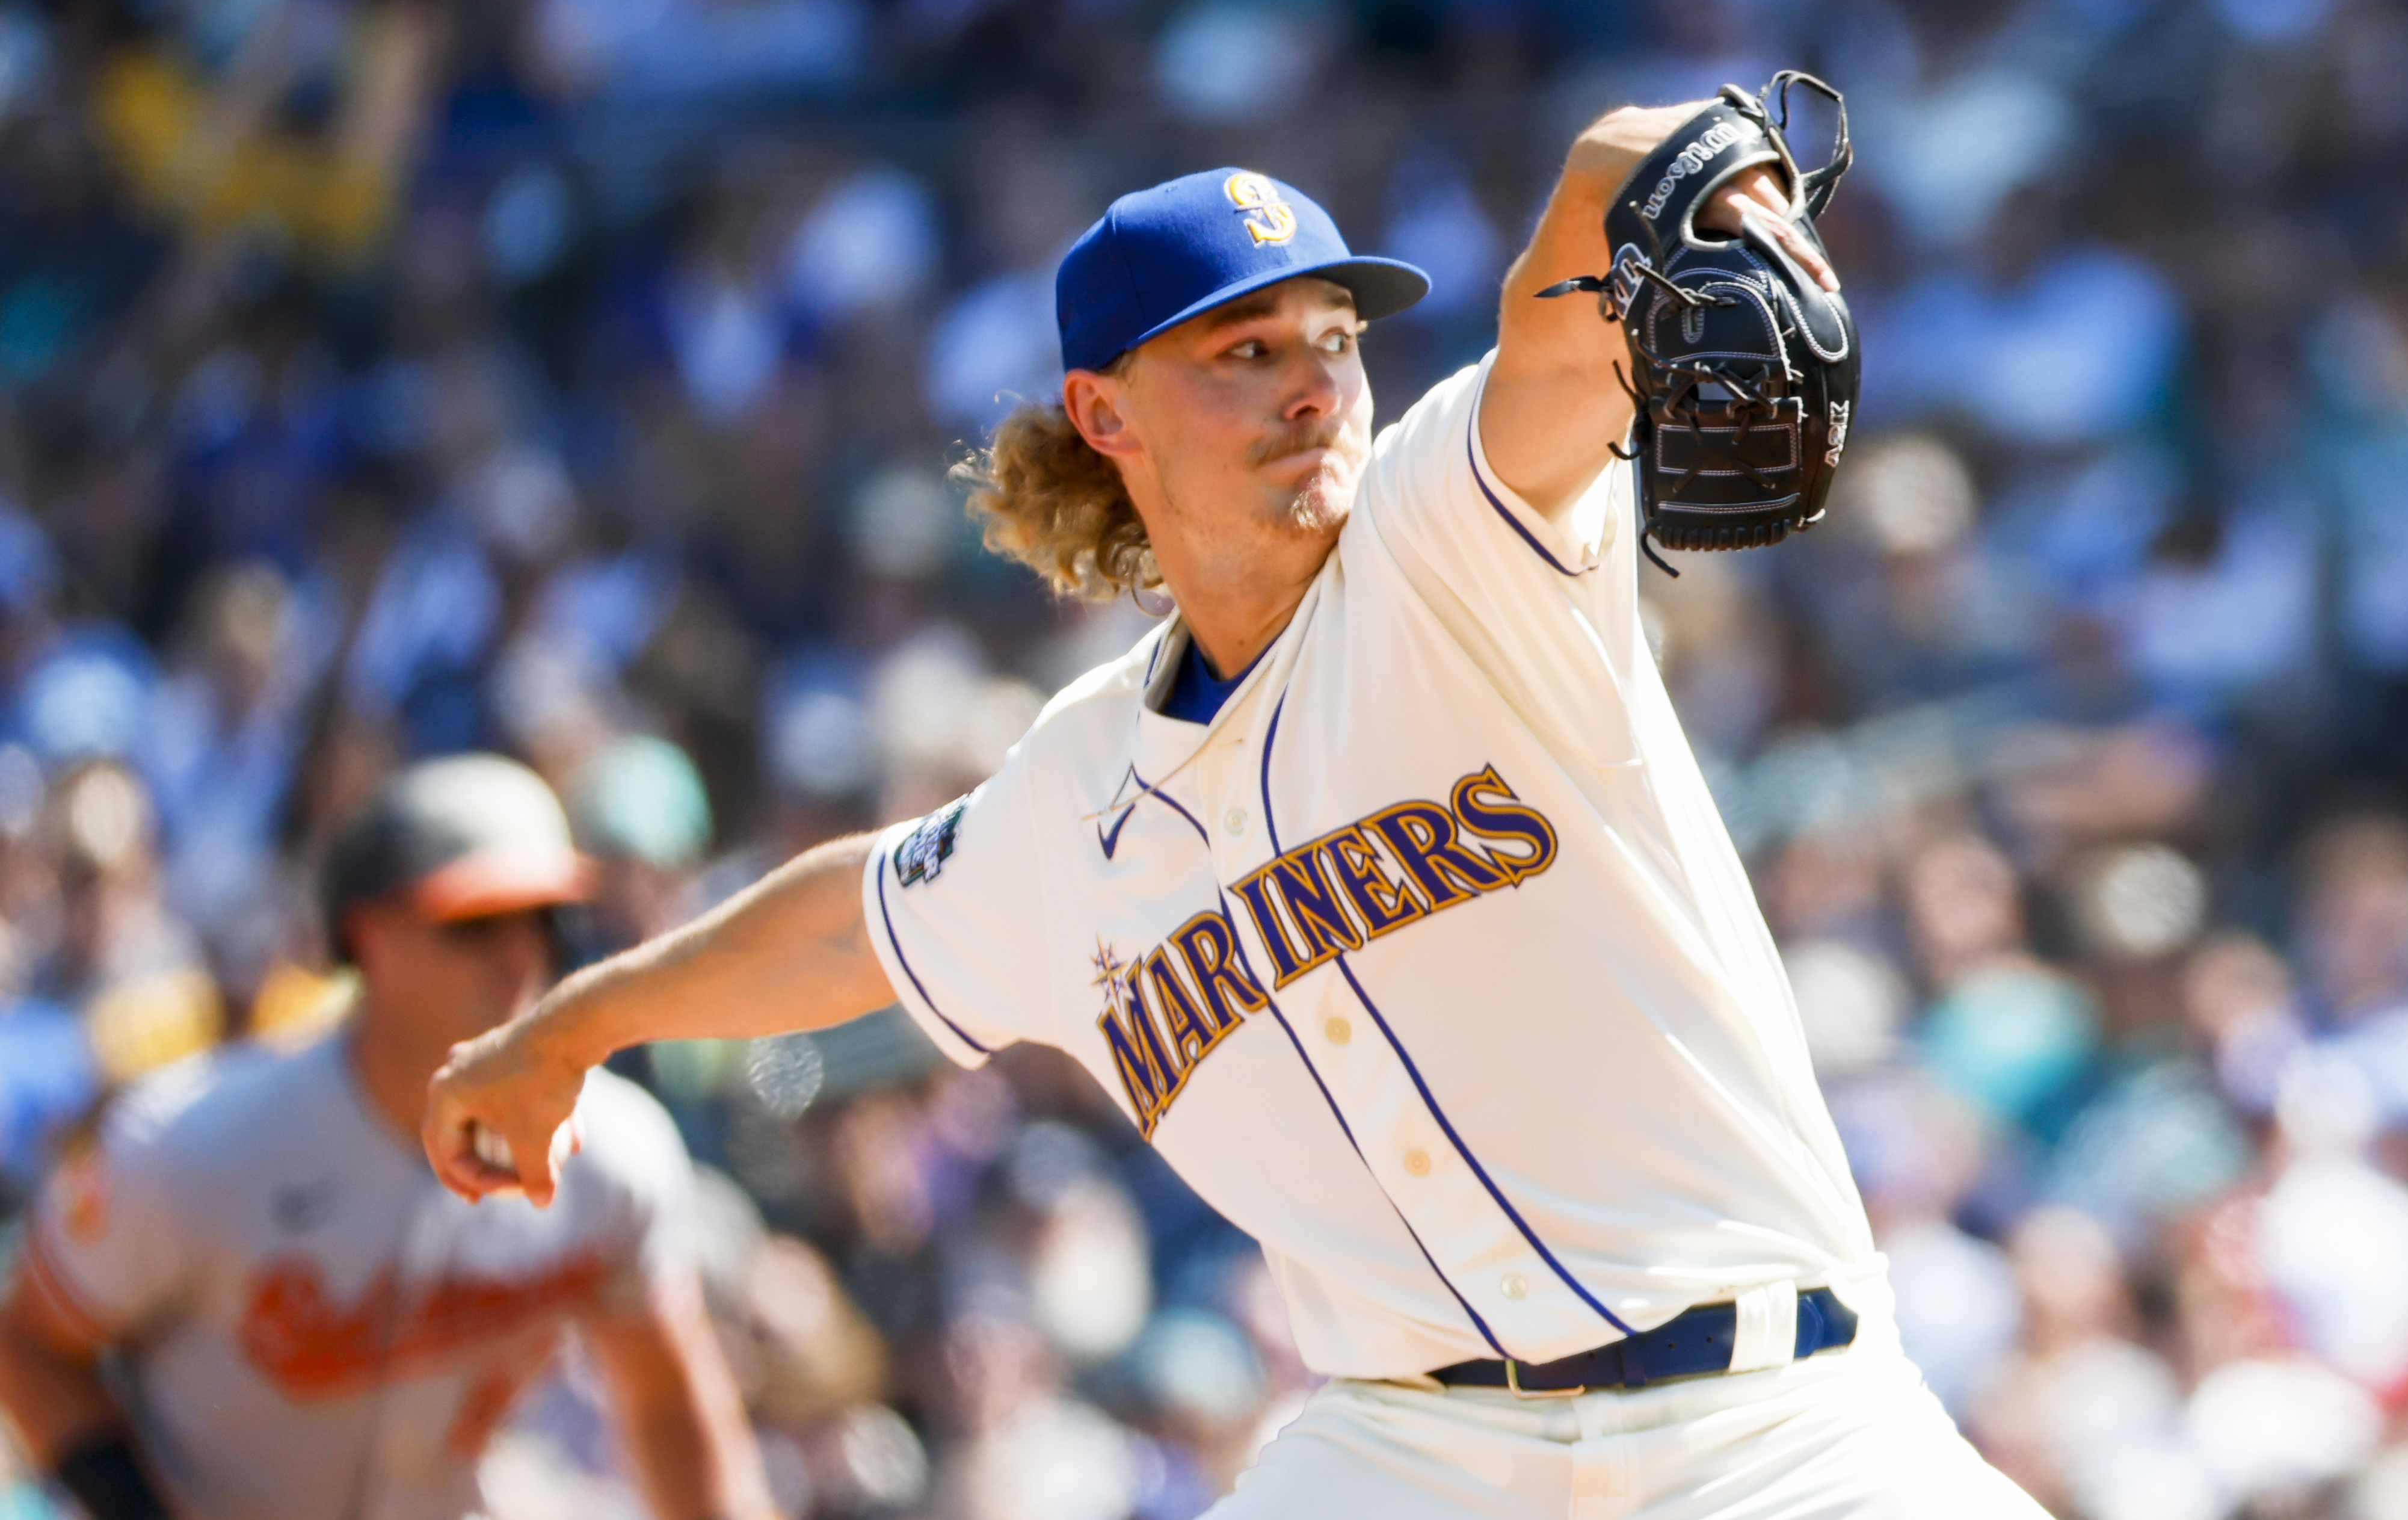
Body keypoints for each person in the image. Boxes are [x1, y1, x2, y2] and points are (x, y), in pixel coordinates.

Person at [423, 108, 2049, 1517]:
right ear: (1107, 412)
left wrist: (1711, 174)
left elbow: (1588, 237)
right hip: (1418, 1447)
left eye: (1332, 339)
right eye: (1242, 349)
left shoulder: (1448, 543)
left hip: (1772, 1421)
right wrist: (575, 1026)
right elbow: (851, 918)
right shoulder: (1076, 789)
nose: (1312, 386)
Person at [0, 754, 774, 1520]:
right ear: (364, 936)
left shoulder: (613, 1154)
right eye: (476, 922)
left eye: (544, 918)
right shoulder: (191, 1143)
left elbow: (669, 1407)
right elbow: (30, 1345)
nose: (520, 954)